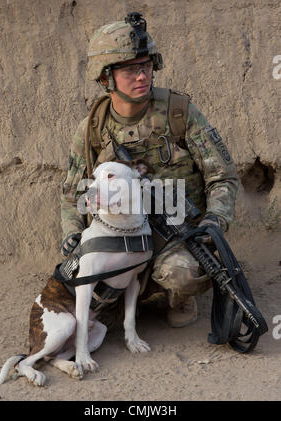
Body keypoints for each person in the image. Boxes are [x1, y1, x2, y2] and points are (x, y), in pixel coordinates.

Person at [60, 12, 239, 328]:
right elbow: (71, 194)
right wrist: (73, 235)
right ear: (105, 77)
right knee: (75, 285)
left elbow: (221, 176)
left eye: (145, 67)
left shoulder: (178, 112)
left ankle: (176, 295)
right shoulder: (93, 128)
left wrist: (214, 220)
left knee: (182, 274)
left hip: (176, 235)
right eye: (130, 70)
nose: (142, 76)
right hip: (117, 235)